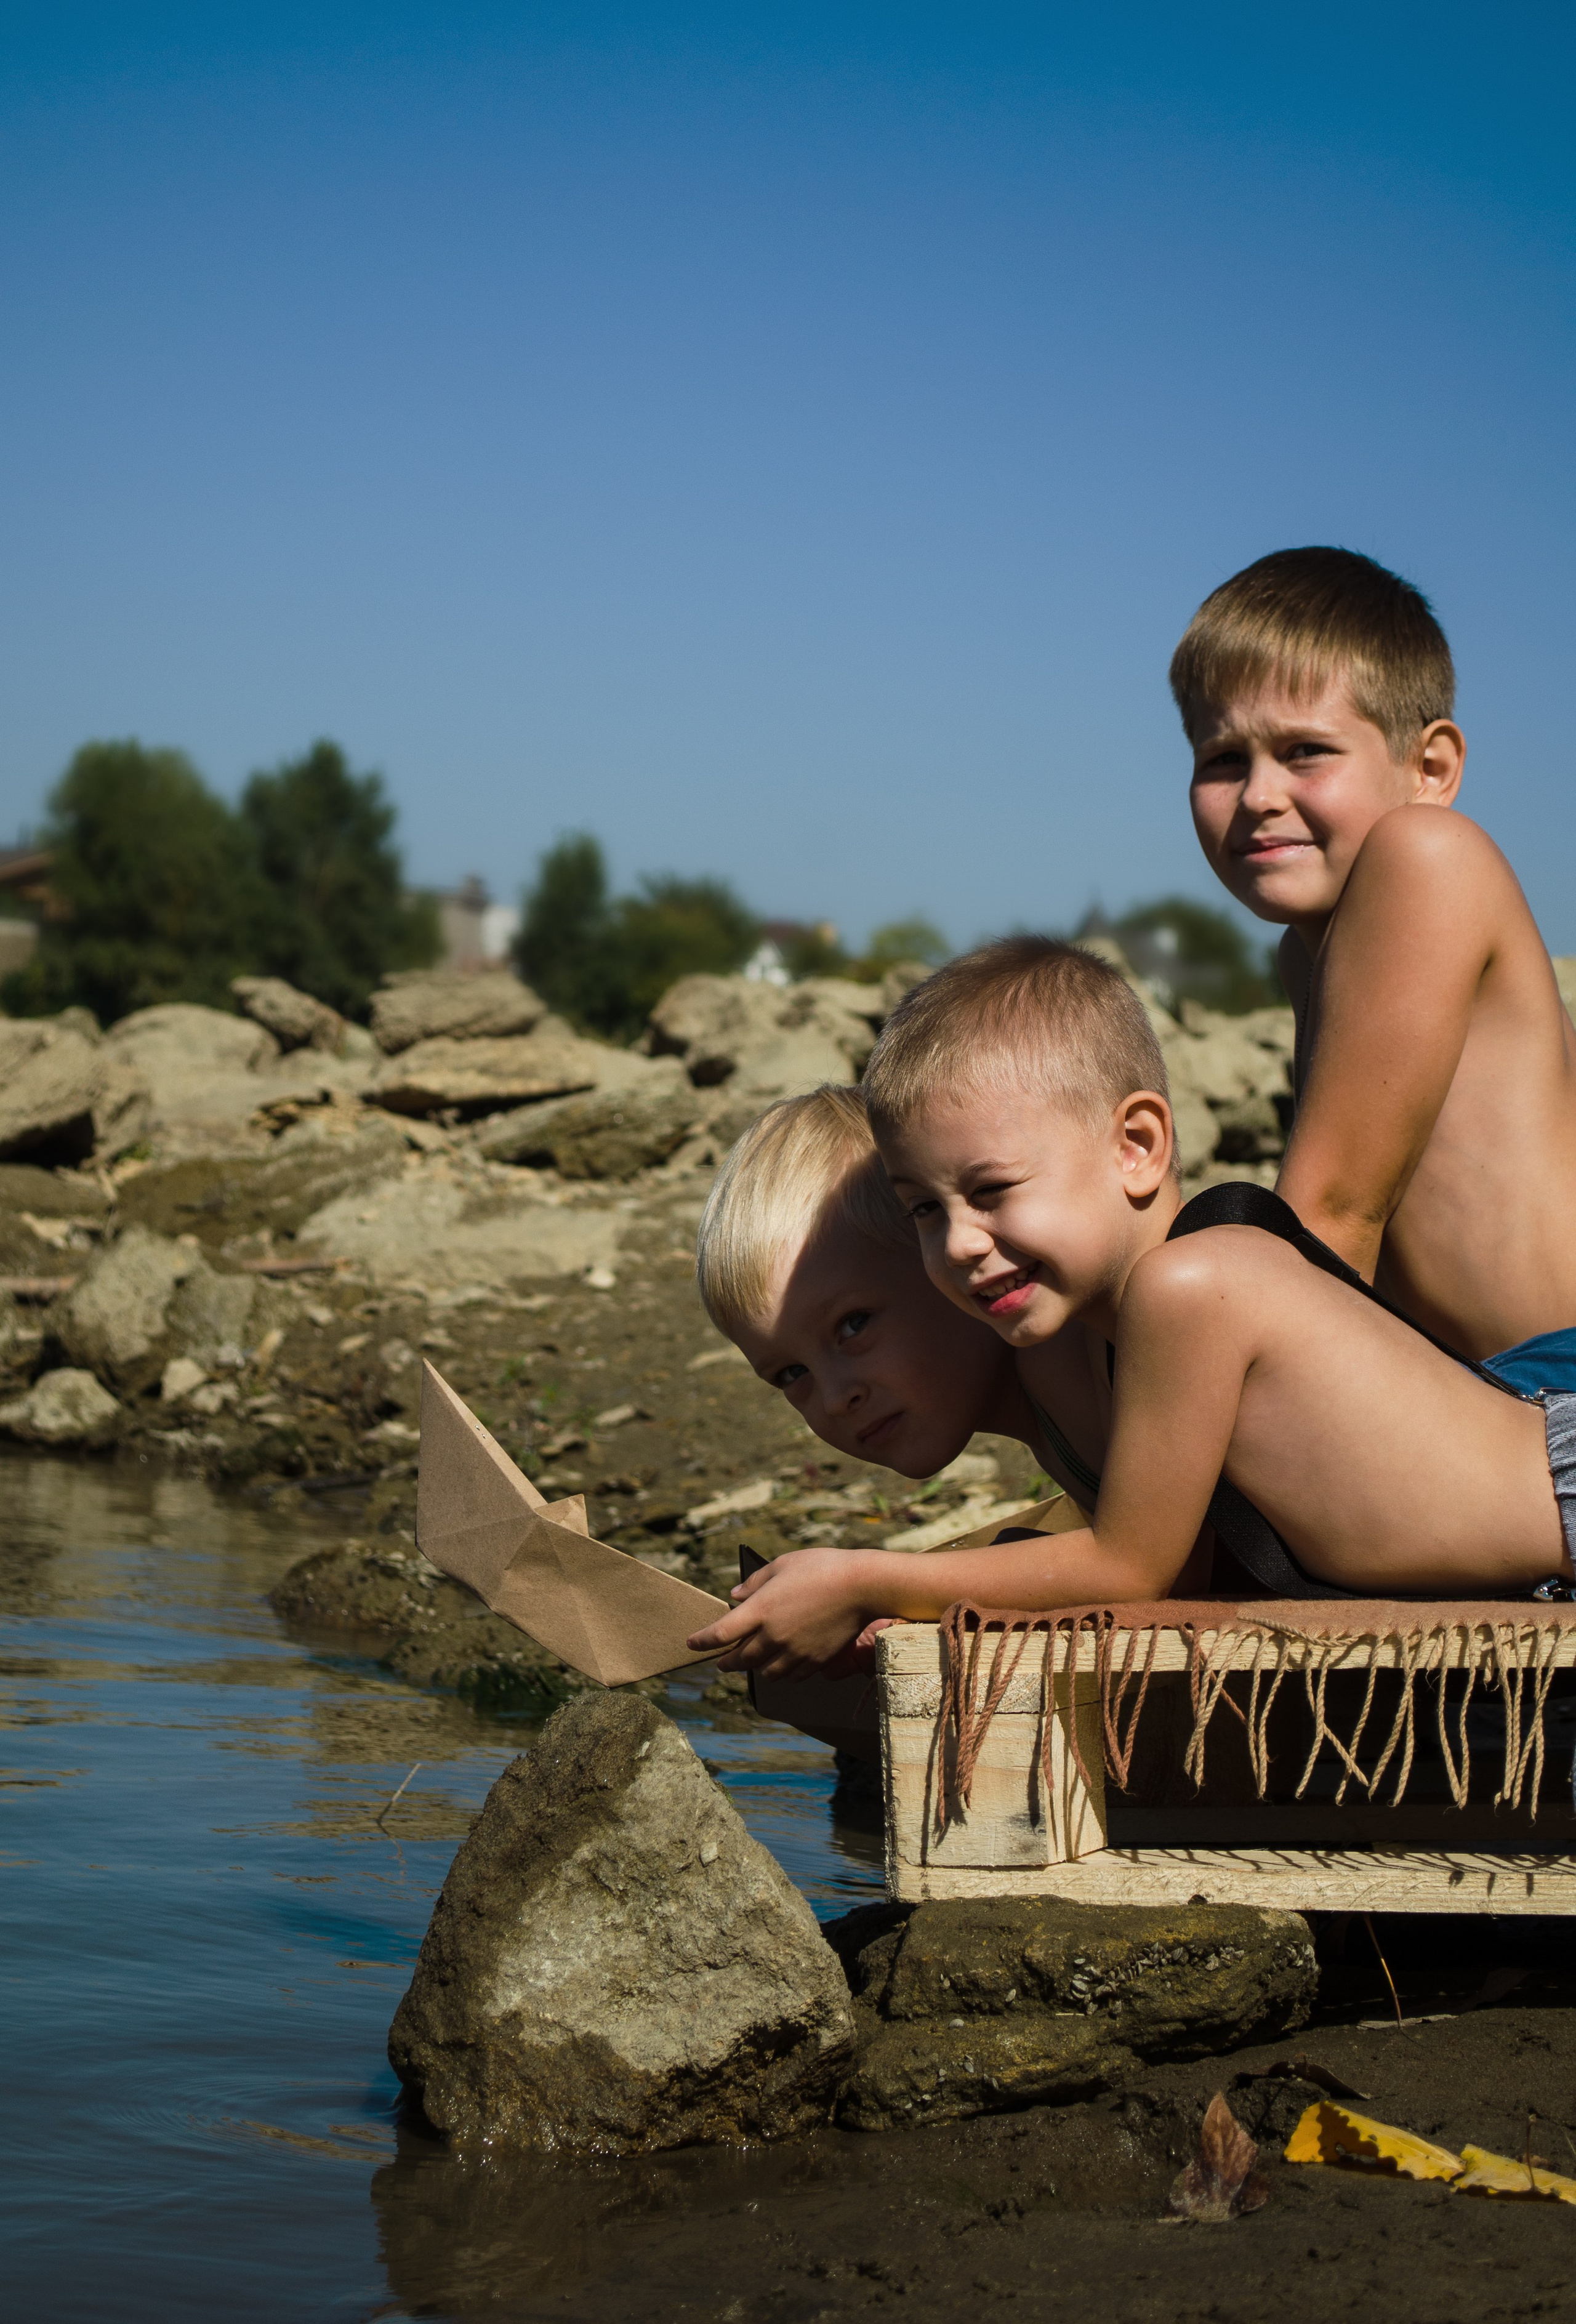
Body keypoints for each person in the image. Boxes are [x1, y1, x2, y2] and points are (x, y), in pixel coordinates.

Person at [686, 940, 1576, 1678]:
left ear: (1138, 1146)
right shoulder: (1085, 1347)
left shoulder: (1186, 1289)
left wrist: (868, 1580)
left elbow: (1134, 1568)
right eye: (926, 1210)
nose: (958, 1242)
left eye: (991, 1191)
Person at [1175, 545, 1576, 1389]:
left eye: (1305, 751)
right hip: (1482, 1386)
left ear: (1430, 769)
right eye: (1223, 759)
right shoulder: (1305, 953)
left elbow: (1333, 1215)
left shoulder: (1424, 855)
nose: (1258, 795)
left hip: (1555, 1381)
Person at [694, 1083, 1045, 1486]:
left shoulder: (1085, 1376)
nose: (835, 1400)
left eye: (854, 1325)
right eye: (792, 1373)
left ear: (943, 1251)